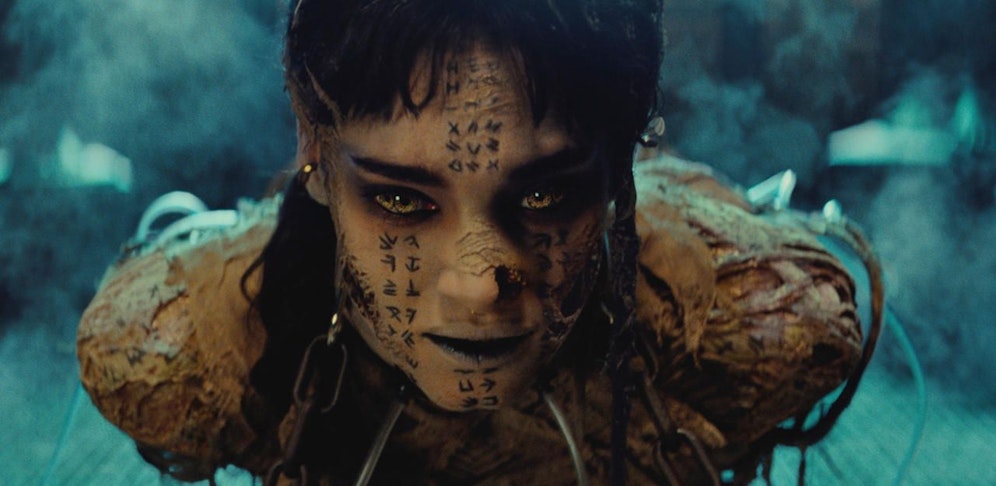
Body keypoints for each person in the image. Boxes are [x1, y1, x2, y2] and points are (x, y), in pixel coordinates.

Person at [78, 1, 881, 484]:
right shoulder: (186, 355)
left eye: (545, 196)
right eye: (401, 199)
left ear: (619, 169)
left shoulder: (753, 326)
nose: (479, 279)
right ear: (312, 151)